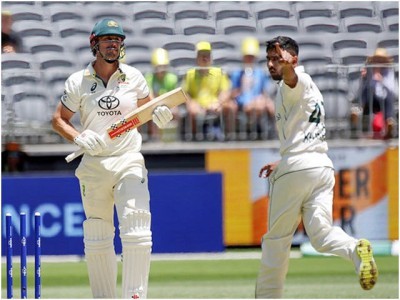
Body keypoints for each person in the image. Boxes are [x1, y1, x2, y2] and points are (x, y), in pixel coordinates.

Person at [51, 18, 173, 299]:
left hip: (128, 158)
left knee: (138, 228)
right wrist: (78, 137)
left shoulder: (134, 77)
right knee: (97, 233)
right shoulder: (78, 81)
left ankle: (135, 297)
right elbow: (58, 119)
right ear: (95, 44)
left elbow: (152, 109)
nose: (113, 45)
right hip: (94, 163)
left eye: (117, 40)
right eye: (107, 40)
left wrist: (162, 116)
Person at [255, 36, 378, 298]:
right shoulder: (310, 90)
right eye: (268, 59)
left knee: (276, 240)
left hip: (298, 167)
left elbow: (292, 79)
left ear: (293, 60)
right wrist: (283, 161)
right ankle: (355, 249)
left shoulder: (298, 80)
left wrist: (288, 67)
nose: (271, 64)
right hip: (320, 166)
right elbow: (303, 133)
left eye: (277, 59)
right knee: (321, 236)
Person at [182, 41, 234, 140]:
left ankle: (229, 138)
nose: (205, 58)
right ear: (197, 58)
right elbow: (185, 93)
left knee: (230, 106)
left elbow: (225, 91)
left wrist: (219, 103)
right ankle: (194, 139)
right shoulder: (190, 74)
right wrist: (191, 103)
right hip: (198, 105)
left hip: (215, 104)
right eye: (202, 55)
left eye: (207, 55)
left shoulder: (219, 72)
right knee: (192, 110)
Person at [230, 37, 275, 140]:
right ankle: (255, 132)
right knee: (256, 106)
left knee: (270, 106)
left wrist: (263, 99)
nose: (249, 60)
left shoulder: (260, 73)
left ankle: (277, 134)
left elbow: (265, 91)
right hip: (243, 103)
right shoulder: (238, 74)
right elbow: (233, 93)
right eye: (247, 57)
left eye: (251, 57)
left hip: (258, 102)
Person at [351, 48, 396, 139]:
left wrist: (382, 80)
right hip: (370, 100)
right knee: (368, 87)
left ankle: (389, 121)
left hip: (384, 99)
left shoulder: (389, 73)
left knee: (389, 96)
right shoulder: (369, 72)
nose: (378, 62)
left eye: (380, 60)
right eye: (376, 60)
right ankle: (358, 111)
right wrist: (364, 79)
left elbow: (393, 90)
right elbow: (359, 90)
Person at [144, 48, 179, 140]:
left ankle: (174, 137)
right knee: (153, 114)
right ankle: (155, 138)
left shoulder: (172, 78)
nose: (161, 70)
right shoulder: (149, 78)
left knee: (176, 112)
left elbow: (175, 96)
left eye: (163, 67)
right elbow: (150, 95)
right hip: (154, 104)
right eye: (159, 67)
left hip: (170, 104)